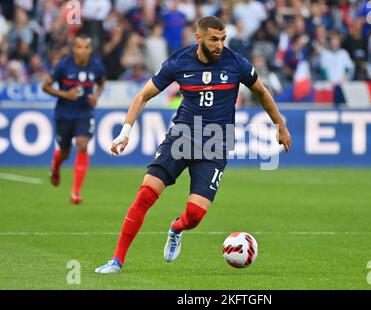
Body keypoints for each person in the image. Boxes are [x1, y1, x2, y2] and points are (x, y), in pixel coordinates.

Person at [95, 16, 291, 273]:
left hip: (215, 144)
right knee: (145, 194)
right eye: (214, 39)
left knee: (195, 216)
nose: (219, 45)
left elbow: (262, 93)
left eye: (223, 39)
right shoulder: (179, 62)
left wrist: (280, 126)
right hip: (181, 138)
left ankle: (176, 228)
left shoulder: (236, 63)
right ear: (199, 38)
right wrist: (125, 131)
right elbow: (143, 95)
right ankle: (116, 260)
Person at [42, 33, 106, 204]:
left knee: (82, 145)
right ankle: (56, 166)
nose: (83, 51)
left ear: (90, 49)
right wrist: (64, 94)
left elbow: (102, 82)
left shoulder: (96, 67)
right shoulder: (64, 66)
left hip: (84, 113)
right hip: (64, 114)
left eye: (86, 47)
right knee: (64, 153)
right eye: (79, 47)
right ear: (73, 49)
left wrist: (96, 96)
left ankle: (75, 192)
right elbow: (45, 86)